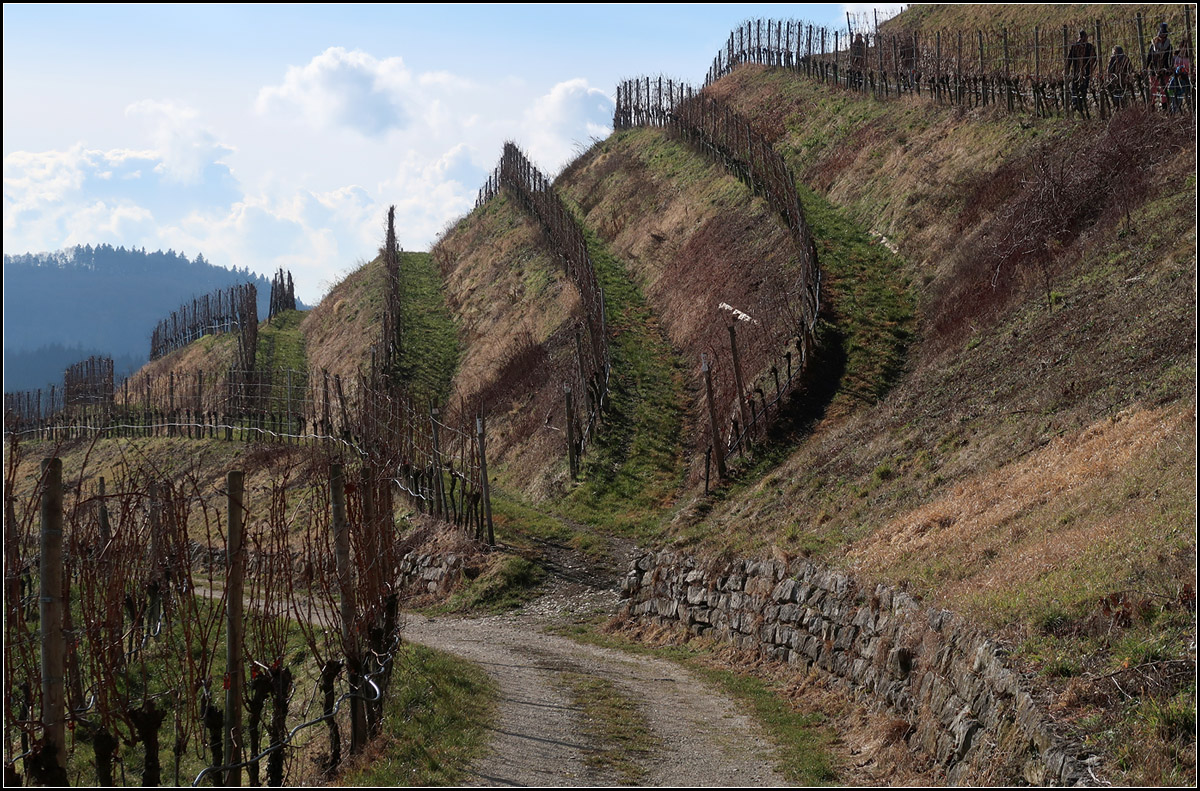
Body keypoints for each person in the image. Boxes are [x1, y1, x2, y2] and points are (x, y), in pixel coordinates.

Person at [1067, 29, 1097, 115]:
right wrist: (1091, 68)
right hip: (1086, 71)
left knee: (1074, 88)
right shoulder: (1090, 47)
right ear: (1086, 37)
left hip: (1076, 71)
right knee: (1083, 88)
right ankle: (1080, 103)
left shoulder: (1074, 46)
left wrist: (1067, 69)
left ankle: (1076, 103)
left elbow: (1069, 60)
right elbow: (1095, 59)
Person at [1146, 22, 1173, 110]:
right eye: (1162, 35)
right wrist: (1146, 67)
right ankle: (1152, 106)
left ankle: (1165, 106)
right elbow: (1149, 57)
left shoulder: (1169, 46)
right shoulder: (1153, 46)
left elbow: (1170, 57)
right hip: (1154, 69)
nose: (1163, 37)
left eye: (1164, 35)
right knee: (1153, 88)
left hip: (1165, 70)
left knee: (1164, 89)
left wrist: (1169, 68)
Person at [1168, 44, 1192, 113]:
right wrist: (1171, 95)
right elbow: (1170, 88)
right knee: (1174, 105)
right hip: (1174, 95)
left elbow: (1185, 88)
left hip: (1180, 95)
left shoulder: (1184, 81)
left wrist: (1182, 93)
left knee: (1179, 104)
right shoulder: (1174, 80)